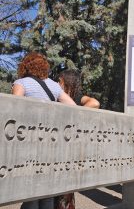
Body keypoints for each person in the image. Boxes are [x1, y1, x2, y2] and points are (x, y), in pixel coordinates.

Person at [12, 52, 76, 209]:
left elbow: (14, 108)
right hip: (50, 143)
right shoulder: (54, 85)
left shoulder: (21, 83)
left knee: (31, 194)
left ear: (25, 66)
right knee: (46, 192)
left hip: (29, 141)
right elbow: (73, 107)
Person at [53, 69, 100, 209]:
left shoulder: (77, 98)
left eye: (60, 81)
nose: (57, 83)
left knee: (65, 191)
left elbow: (95, 103)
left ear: (67, 82)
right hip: (55, 145)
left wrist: (75, 113)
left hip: (68, 149)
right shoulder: (55, 96)